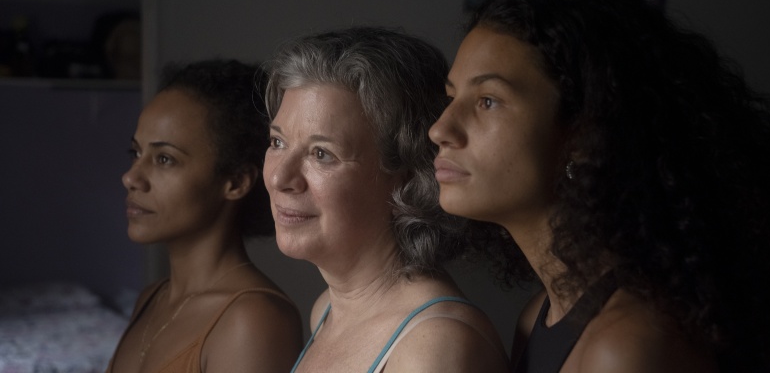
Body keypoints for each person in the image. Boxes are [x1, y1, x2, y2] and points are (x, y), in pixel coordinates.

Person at [428, 0, 770, 373]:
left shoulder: (625, 346)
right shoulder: (538, 316)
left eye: (487, 101)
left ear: (584, 136)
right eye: (452, 98)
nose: (440, 129)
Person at [262, 26, 509, 373]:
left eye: (321, 154)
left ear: (407, 176)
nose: (279, 178)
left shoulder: (435, 347)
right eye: (277, 143)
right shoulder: (327, 310)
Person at [108, 59, 303, 373]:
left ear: (236, 182)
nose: (131, 177)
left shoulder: (253, 319)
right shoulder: (151, 299)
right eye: (136, 153)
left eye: (164, 159)